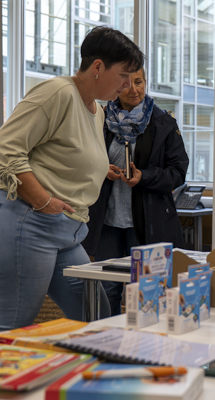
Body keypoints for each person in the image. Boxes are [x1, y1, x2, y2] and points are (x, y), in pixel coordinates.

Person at [0, 26, 144, 335]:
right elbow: (4, 147)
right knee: (12, 330)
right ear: (97, 67)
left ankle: (80, 381)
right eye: (123, 75)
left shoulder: (95, 109)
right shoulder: (57, 92)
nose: (126, 85)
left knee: (97, 320)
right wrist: (42, 199)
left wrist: (97, 169)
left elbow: (67, 153)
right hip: (26, 221)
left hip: (66, 231)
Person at [82, 67, 189, 315]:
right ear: (117, 86)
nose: (134, 89)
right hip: (106, 221)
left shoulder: (163, 123)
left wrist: (144, 177)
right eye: (128, 83)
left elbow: (178, 171)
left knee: (145, 290)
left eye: (139, 82)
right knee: (108, 288)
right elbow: (83, 159)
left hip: (146, 222)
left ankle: (143, 347)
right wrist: (100, 169)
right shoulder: (99, 118)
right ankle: (108, 344)